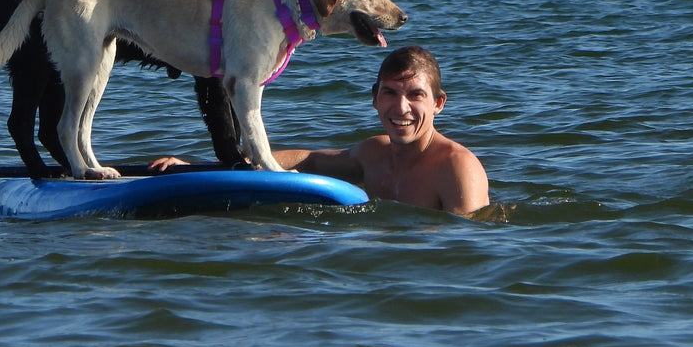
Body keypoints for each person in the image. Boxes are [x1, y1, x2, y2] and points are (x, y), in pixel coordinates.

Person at [151, 45, 489, 217]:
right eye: (390, 93)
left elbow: (466, 257)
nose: (401, 108)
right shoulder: (374, 152)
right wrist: (205, 170)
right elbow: (308, 160)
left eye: (416, 95)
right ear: (374, 99)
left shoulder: (457, 168)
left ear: (439, 103)